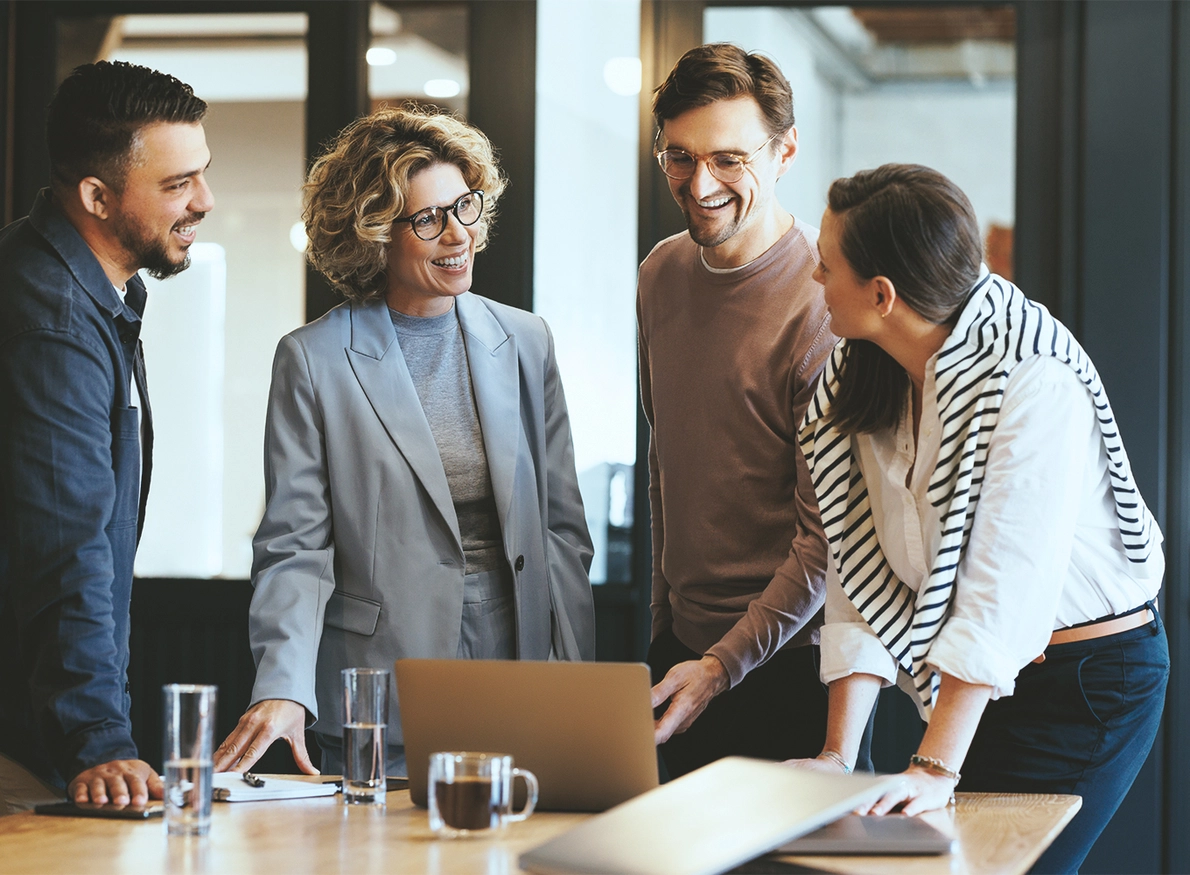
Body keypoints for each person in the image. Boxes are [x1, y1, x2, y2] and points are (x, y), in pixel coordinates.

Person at [794, 163, 1168, 874]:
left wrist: (934, 766)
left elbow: (1005, 594)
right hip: (980, 680)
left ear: (882, 295)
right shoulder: (862, 371)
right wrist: (838, 756)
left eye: (825, 264)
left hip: (1088, 682)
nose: (814, 278)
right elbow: (858, 564)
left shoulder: (1033, 379)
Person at [214, 107, 595, 778]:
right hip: (380, 685)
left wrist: (576, 683)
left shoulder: (526, 339)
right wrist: (283, 684)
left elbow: (563, 532)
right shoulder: (314, 359)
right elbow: (293, 546)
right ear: (374, 234)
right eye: (427, 219)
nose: (458, 234)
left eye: (465, 207)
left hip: (520, 671)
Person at [0, 61, 213, 813]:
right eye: (177, 183)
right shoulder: (53, 319)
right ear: (96, 195)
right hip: (24, 741)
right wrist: (97, 738)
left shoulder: (89, 291)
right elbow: (67, 542)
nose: (204, 201)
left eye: (203, 175)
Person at [638, 43, 847, 780]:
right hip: (680, 660)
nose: (701, 185)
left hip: (790, 669)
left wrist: (722, 665)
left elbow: (825, 543)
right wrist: (665, 634)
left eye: (730, 159)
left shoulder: (826, 305)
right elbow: (666, 463)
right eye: (679, 158)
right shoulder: (659, 274)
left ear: (785, 150)